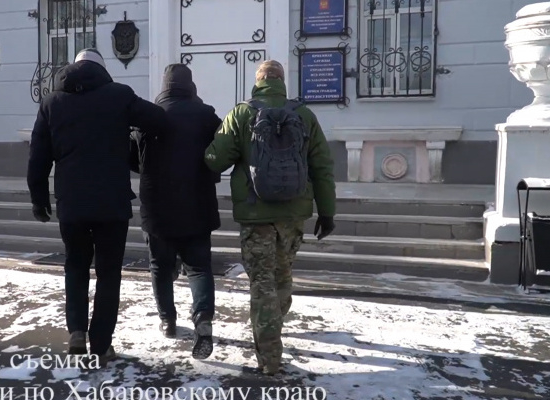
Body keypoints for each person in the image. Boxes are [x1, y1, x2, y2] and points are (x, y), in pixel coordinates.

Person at [27, 48, 169, 364]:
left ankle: (77, 332)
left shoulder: (51, 103)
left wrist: (39, 199)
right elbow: (159, 120)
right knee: (108, 273)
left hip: (71, 202)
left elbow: (38, 157)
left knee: (75, 266)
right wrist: (130, 135)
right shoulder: (119, 95)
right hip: (111, 202)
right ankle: (102, 345)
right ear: (103, 70)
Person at [203, 60, 337, 375]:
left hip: (255, 214)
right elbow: (322, 166)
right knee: (283, 277)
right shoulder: (304, 115)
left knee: (262, 283)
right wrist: (327, 212)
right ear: (281, 81)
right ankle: (274, 330)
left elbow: (214, 160)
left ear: (258, 81)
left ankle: (270, 357)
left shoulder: (241, 114)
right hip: (293, 213)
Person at [129, 64, 222, 360]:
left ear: (164, 86)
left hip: (157, 206)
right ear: (190, 85)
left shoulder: (150, 116)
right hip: (197, 202)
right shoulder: (206, 115)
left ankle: (167, 320)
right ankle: (203, 318)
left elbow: (134, 159)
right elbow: (222, 152)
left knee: (159, 265)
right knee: (199, 266)